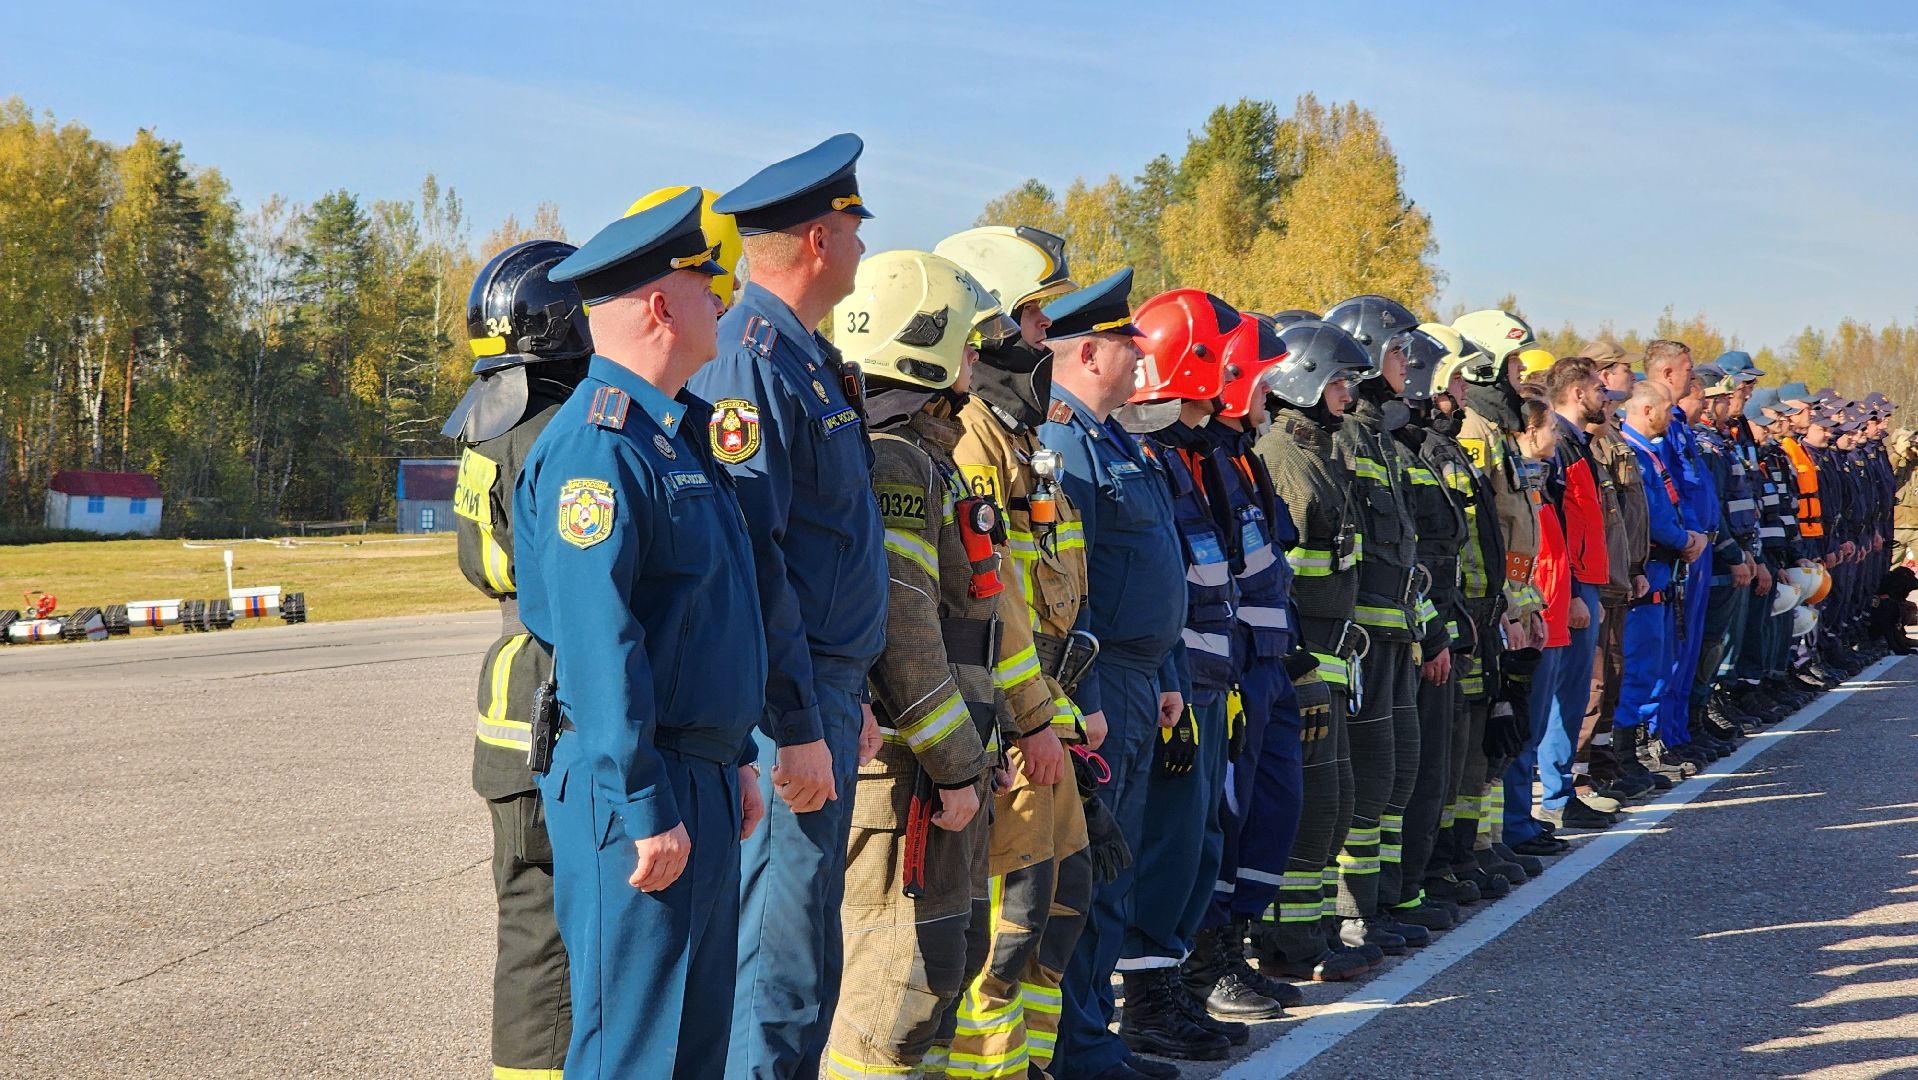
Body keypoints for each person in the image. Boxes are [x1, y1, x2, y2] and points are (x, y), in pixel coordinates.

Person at [516, 189, 768, 1078]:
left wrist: (730, 754)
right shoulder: (600, 448)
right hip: (636, 779)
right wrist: (646, 800)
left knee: (694, 1041)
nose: (723, 301)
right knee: (634, 1048)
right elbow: (599, 643)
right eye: (709, 285)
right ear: (662, 305)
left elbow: (703, 616)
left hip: (688, 768)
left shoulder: (676, 435)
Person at [687, 134, 890, 1079]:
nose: (859, 243)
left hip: (825, 694)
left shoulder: (804, 354)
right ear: (817, 238)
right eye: (852, 225)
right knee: (775, 962)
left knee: (807, 947)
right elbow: (754, 557)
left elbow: (831, 549)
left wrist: (854, 701)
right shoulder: (751, 357)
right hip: (788, 708)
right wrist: (800, 718)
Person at [824, 250, 1000, 1079]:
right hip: (908, 779)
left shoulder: (924, 454)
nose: (978, 360)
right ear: (925, 347)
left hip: (939, 772)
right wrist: (959, 763)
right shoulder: (896, 460)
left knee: (940, 979)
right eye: (966, 342)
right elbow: (906, 633)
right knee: (891, 1000)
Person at [937, 225, 1098, 1080]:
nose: (1048, 341)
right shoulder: (971, 444)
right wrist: (1024, 723)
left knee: (1052, 916)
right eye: (1037, 322)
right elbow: (983, 614)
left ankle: (1030, 1070)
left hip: (1046, 724)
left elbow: (1052, 601)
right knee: (1003, 936)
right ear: (992, 328)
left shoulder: (1021, 444)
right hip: (1006, 734)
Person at [446, 239, 595, 1080]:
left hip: (506, 694)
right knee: (565, 939)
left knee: (527, 925)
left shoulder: (484, 424)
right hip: (559, 691)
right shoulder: (566, 428)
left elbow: (481, 563)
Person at [1040, 269, 1193, 1080]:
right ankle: (1080, 1050)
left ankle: (1098, 1036)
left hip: (1141, 678)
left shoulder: (1116, 439)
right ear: (1091, 351)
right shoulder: (1063, 442)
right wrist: (1087, 699)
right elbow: (1073, 588)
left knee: (1119, 866)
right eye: (1129, 348)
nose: (1140, 362)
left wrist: (1167, 666)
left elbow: (1151, 564)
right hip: (1102, 689)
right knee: (1093, 873)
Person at [1117, 289, 1259, 1058]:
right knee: (1168, 847)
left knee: (1197, 845)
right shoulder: (1154, 457)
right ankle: (1146, 1001)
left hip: (1202, 680)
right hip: (1174, 684)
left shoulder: (1191, 458)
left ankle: (1169, 987)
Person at [1185, 314, 1310, 1013]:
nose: (1271, 389)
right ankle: (1208, 961)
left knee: (1271, 808)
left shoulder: (1241, 455)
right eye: (1261, 378)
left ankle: (1236, 939)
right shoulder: (1202, 458)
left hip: (1269, 664)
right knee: (1222, 819)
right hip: (1228, 672)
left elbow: (1268, 566)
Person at [1247, 319, 1376, 984]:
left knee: (1335, 800)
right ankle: (1289, 947)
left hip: (1330, 651)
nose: (1347, 390)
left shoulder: (1320, 451)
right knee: (1311, 805)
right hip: (1304, 657)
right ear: (1303, 381)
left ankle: (1314, 931)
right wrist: (1297, 660)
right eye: (1337, 379)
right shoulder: (1287, 460)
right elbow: (1285, 578)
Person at [1319, 295, 1437, 955]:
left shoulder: (1378, 435)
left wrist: (1424, 628)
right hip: (1357, 640)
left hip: (1393, 635)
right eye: (1396, 351)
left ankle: (1380, 902)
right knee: (1363, 784)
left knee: (1394, 772)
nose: (1406, 363)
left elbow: (1403, 546)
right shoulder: (1347, 437)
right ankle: (1351, 914)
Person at [1450, 310, 1559, 867]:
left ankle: (1488, 843)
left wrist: (1527, 600)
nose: (1522, 373)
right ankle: (1472, 847)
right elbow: (1476, 532)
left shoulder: (1497, 430)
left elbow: (1516, 532)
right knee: (1482, 730)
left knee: (1500, 726)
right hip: (1488, 606)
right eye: (1514, 362)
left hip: (1512, 601)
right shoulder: (1474, 431)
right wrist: (1501, 607)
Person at [1383, 323, 1473, 931]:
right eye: (1451, 379)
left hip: (1437, 628)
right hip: (1412, 636)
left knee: (1430, 768)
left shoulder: (1417, 445)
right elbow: (1412, 560)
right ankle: (1399, 893)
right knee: (1404, 776)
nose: (1457, 393)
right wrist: (1432, 631)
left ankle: (1413, 885)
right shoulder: (1401, 447)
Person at [1529, 357, 1618, 831]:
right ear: (1578, 393)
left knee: (1572, 691)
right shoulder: (1557, 444)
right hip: (1567, 586)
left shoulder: (1577, 444)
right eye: (1598, 388)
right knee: (1558, 695)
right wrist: (1575, 595)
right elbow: (1555, 528)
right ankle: (1556, 797)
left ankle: (1561, 791)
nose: (1605, 396)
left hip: (1581, 582)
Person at [1575, 338, 1661, 800]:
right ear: (1602, 375)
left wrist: (1636, 565)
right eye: (1624, 368)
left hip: (1620, 575)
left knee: (1612, 675)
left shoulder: (1611, 439)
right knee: (1592, 682)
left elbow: (1629, 515)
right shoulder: (1588, 443)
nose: (1631, 376)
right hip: (1597, 579)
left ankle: (1603, 763)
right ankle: (1579, 775)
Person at [1612, 380, 1708, 784]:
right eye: (1668, 409)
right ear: (1648, 410)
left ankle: (1646, 746)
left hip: (1664, 569)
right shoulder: (1631, 452)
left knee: (1659, 662)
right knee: (1639, 664)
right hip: (1649, 567)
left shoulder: (1649, 453)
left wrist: (1690, 534)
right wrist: (1684, 538)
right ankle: (1626, 754)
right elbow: (1650, 512)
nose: (1673, 416)